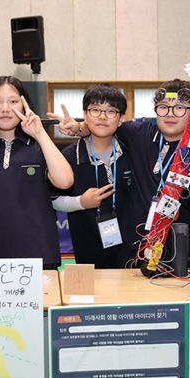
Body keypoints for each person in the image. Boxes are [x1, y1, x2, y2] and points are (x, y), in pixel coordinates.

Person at [50, 79, 190, 265]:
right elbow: (106, 124)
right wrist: (79, 128)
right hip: (132, 250)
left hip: (178, 252)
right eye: (163, 107)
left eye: (179, 108)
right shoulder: (139, 134)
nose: (170, 114)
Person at [0, 76, 73, 269]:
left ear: (24, 105)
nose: (5, 108)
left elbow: (65, 181)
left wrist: (39, 133)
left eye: (12, 101)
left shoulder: (39, 147)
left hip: (39, 257)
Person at [52, 84, 131, 268]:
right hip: (87, 254)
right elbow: (51, 199)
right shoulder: (69, 156)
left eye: (111, 111)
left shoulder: (133, 152)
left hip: (132, 254)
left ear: (120, 119)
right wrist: (81, 202)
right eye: (95, 110)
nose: (102, 117)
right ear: (85, 115)